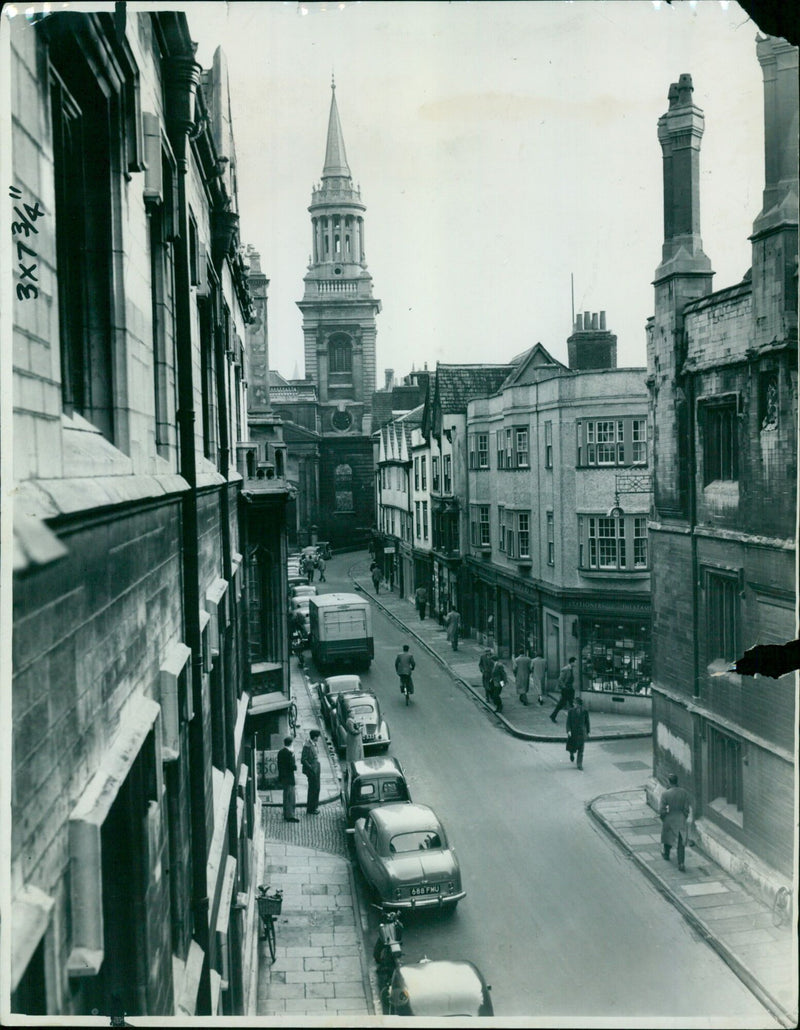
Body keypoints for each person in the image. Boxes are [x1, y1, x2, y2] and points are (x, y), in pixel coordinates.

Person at [659, 773, 692, 871]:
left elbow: (662, 810)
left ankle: (666, 854)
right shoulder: (684, 793)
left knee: (667, 837)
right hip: (681, 818)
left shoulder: (665, 794)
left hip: (669, 818)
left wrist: (663, 817)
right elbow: (686, 809)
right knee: (681, 841)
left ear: (669, 782)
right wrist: (684, 817)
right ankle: (681, 863)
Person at [277, 736, 299, 822]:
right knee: (290, 797)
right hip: (289, 778)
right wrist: (293, 757)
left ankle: (286, 813)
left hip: (283, 777)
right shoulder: (290, 754)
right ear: (291, 744)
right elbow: (292, 767)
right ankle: (290, 816)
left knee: (285, 796)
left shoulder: (280, 752)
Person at [566, 697, 591, 769]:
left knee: (581, 749)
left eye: (576, 704)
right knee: (572, 747)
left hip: (581, 733)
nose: (575, 705)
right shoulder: (570, 711)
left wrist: (588, 732)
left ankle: (579, 764)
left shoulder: (585, 711)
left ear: (579, 704)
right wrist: (568, 731)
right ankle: (571, 754)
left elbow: (587, 722)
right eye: (574, 704)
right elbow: (568, 722)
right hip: (573, 732)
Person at [301, 729, 322, 815]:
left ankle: (314, 807)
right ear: (314, 737)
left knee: (317, 788)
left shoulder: (313, 744)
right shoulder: (307, 746)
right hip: (312, 771)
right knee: (313, 789)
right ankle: (311, 808)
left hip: (316, 769)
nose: (318, 739)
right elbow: (303, 760)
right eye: (317, 737)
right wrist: (310, 768)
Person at [550, 657, 577, 723]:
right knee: (564, 703)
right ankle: (553, 715)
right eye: (575, 662)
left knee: (568, 703)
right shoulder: (566, 669)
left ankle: (573, 718)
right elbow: (560, 680)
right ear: (572, 662)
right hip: (566, 689)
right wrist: (564, 687)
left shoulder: (570, 669)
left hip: (569, 688)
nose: (576, 663)